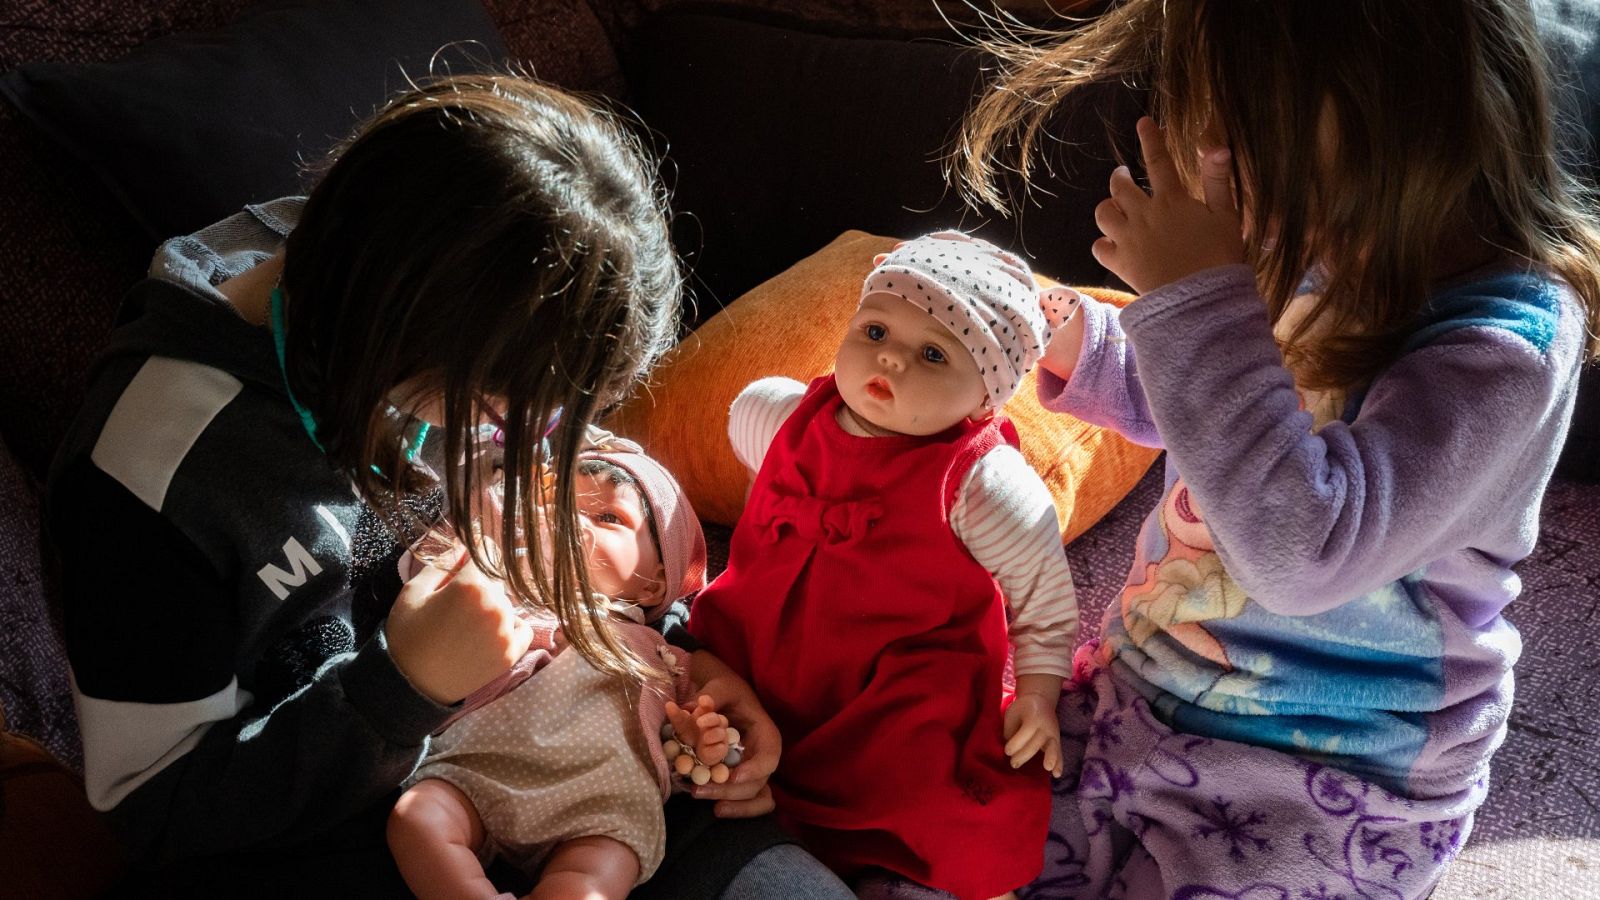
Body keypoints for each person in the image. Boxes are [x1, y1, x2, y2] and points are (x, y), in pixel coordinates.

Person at [46, 74, 852, 898]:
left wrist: (691, 665)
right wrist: (402, 685)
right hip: (352, 826)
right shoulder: (147, 478)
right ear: (398, 344)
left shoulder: (457, 322)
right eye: (505, 418)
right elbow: (157, 816)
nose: (527, 454)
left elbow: (610, 532)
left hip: (596, 768)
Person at [953, 1, 1600, 896]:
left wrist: (1195, 297)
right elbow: (1220, 416)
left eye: (1246, 124)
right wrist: (1070, 336)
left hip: (1330, 787)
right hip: (1137, 700)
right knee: (942, 838)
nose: (1204, 153)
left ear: (1405, 113)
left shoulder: (1507, 350)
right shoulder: (1306, 248)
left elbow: (1306, 545)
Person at [689, 231, 1082, 899]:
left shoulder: (984, 483)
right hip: (756, 646)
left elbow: (1042, 591)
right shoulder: (778, 413)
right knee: (693, 702)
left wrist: (1040, 693)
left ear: (984, 398)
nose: (891, 359)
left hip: (894, 685)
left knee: (931, 797)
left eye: (933, 354)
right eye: (875, 329)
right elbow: (750, 451)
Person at [390, 439, 733, 899]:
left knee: (595, 881)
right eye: (557, 507)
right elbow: (441, 551)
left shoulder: (666, 655)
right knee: (415, 819)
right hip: (479, 768)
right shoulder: (502, 589)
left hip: (601, 803)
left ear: (654, 585)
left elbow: (702, 750)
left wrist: (700, 742)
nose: (571, 521)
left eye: (608, 517)